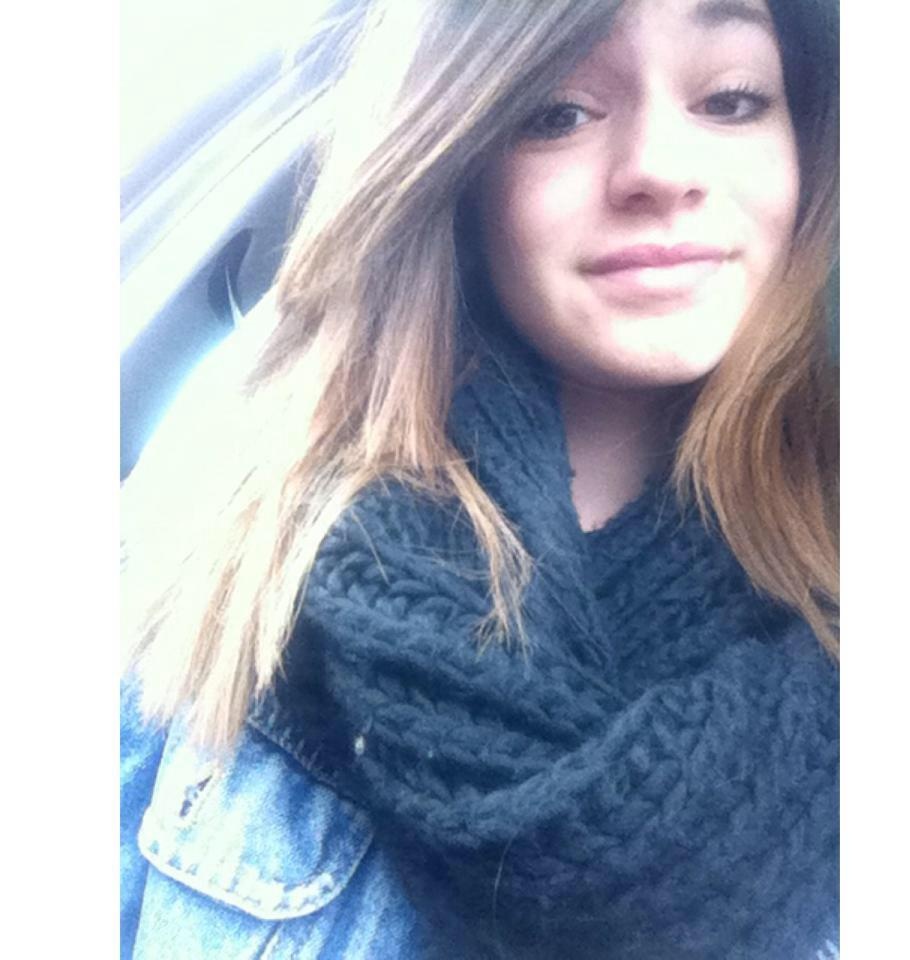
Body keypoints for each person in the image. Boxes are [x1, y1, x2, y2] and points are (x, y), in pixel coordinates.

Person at [121, 0, 839, 957]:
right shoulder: (219, 581)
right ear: (458, 169)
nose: (660, 168)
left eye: (732, 99)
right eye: (556, 113)